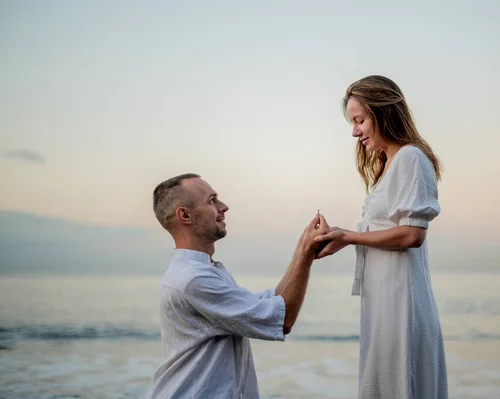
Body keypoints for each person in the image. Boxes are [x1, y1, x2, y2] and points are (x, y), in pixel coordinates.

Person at [314, 75, 448, 399]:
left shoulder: (410, 158)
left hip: (402, 304)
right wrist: (341, 237)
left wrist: (350, 237)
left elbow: (413, 234)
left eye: (360, 120)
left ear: (383, 112)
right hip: (383, 304)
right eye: (352, 122)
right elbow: (388, 231)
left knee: (403, 384)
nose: (354, 131)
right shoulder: (388, 165)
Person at [146, 173, 330, 399]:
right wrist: (305, 252)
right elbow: (282, 320)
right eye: (212, 200)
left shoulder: (203, 270)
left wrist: (304, 247)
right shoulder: (193, 278)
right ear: (185, 215)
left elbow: (270, 304)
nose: (224, 207)